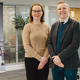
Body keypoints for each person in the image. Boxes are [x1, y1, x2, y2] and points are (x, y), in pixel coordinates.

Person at [47, 1, 79, 80]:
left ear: (68, 10)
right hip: (56, 65)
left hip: (69, 64)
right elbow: (49, 42)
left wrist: (59, 57)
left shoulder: (75, 24)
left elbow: (75, 44)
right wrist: (55, 59)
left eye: (64, 8)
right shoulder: (54, 25)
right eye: (59, 9)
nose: (62, 10)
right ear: (57, 12)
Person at [22, 3, 50, 80]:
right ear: (31, 13)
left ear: (42, 12)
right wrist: (39, 58)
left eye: (38, 11)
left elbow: (49, 44)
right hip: (31, 59)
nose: (36, 13)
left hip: (45, 59)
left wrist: (44, 59)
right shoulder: (27, 27)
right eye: (34, 11)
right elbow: (26, 46)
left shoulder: (47, 27)